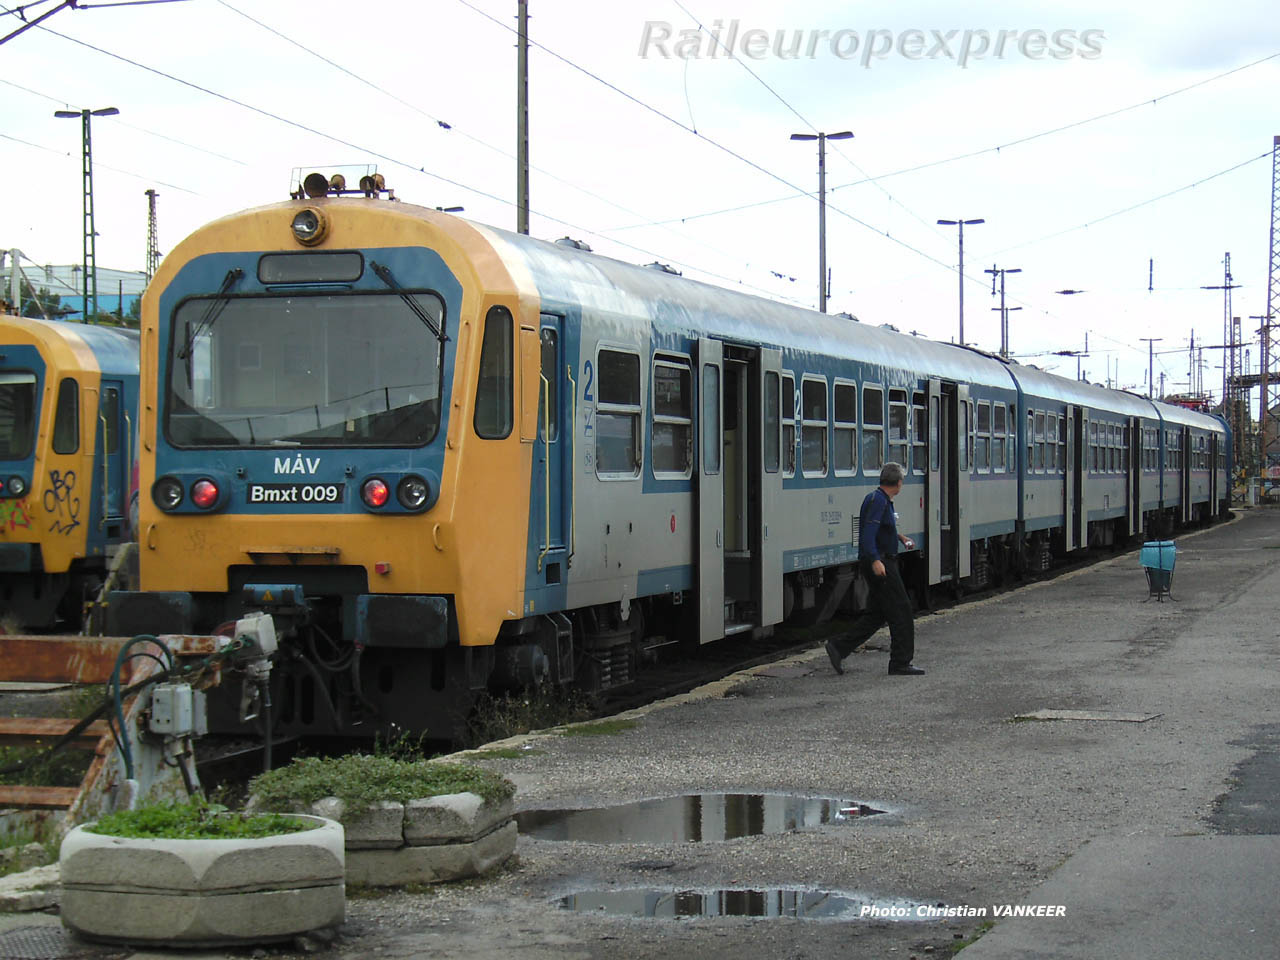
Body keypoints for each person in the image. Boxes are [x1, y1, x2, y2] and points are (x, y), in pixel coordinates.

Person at [824, 462, 925, 676]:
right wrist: (875, 560)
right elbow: (868, 534)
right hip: (881, 563)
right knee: (902, 610)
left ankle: (838, 647)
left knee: (877, 615)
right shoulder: (878, 501)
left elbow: (878, 530)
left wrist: (899, 537)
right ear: (898, 483)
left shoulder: (880, 499)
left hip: (879, 560)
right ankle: (900, 662)